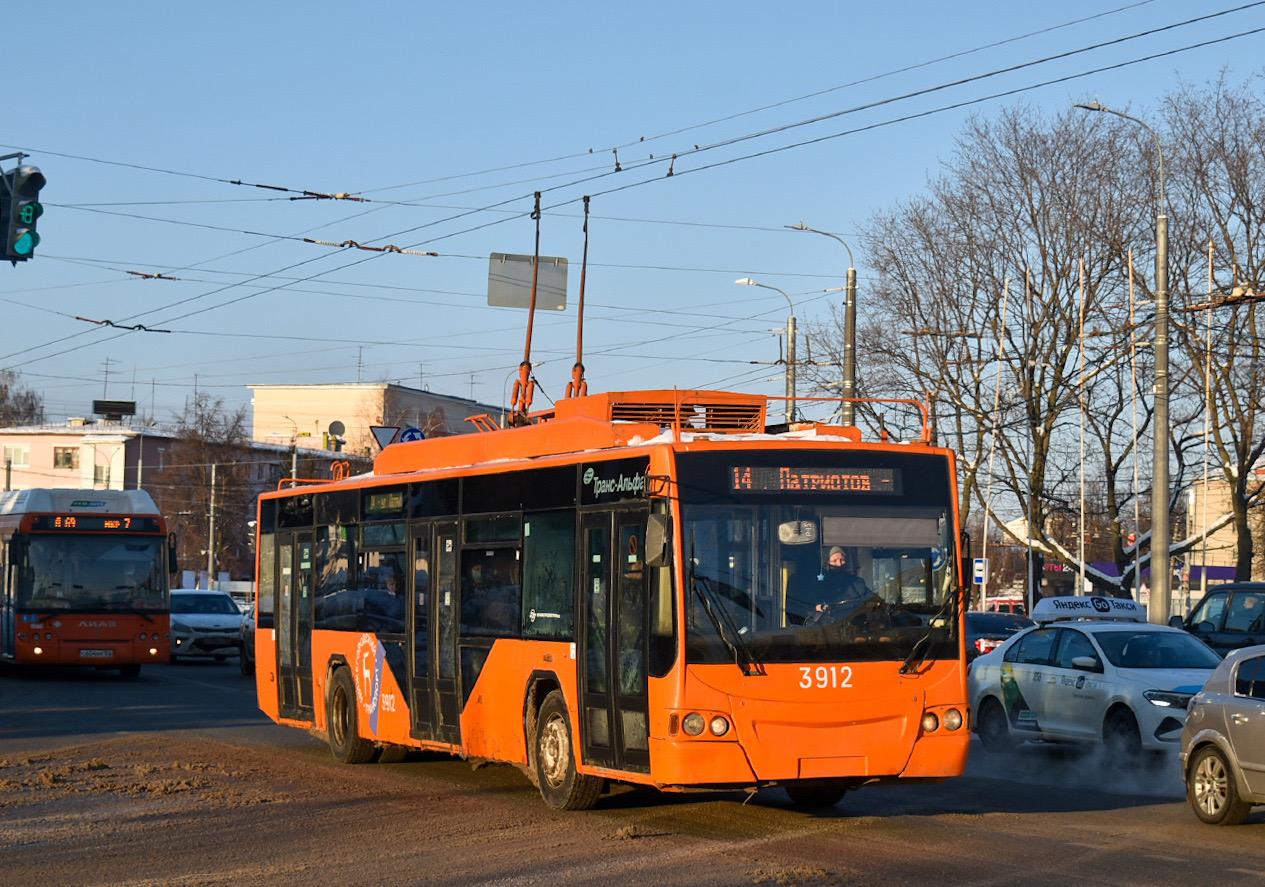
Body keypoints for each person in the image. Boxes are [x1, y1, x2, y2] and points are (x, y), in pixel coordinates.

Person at [813, 546, 870, 611]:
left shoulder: (857, 583)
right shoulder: (819, 586)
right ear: (826, 565)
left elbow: (872, 600)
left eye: (842, 560)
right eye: (834, 561)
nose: (839, 564)